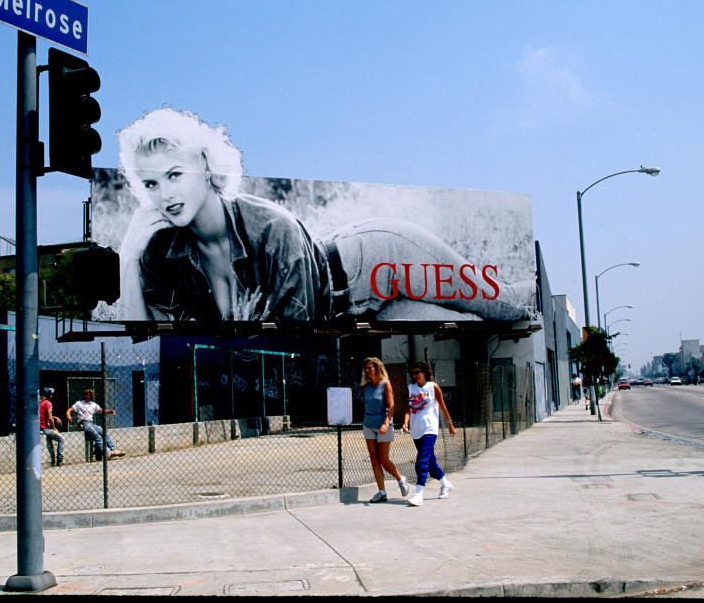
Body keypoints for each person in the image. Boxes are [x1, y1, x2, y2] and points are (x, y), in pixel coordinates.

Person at [114, 108, 536, 324]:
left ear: (206, 166)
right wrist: (128, 260)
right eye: (151, 184)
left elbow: (297, 336)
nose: (165, 194)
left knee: (498, 303)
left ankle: (537, 293)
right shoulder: (161, 251)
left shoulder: (270, 228)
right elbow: (143, 339)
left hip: (376, 259)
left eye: (174, 174)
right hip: (354, 311)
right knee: (461, 324)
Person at [402, 361, 456, 506]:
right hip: (416, 429)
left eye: (417, 372)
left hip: (430, 428)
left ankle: (419, 494)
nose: (414, 376)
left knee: (422, 461)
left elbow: (443, 407)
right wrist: (405, 422)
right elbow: (408, 409)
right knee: (430, 461)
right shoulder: (410, 388)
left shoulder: (433, 387)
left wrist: (450, 424)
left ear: (424, 372)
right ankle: (445, 483)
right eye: (412, 373)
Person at [361, 357, 410, 503]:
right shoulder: (366, 386)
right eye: (366, 368)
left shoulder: (386, 384)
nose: (368, 370)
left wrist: (386, 423)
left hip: (384, 426)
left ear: (377, 368)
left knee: (384, 459)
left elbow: (392, 406)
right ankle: (382, 492)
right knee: (374, 459)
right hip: (368, 425)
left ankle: (400, 479)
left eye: (370, 367)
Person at [66, 389, 125, 459]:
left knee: (105, 433)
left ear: (91, 396)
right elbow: (70, 409)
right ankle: (106, 454)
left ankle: (113, 450)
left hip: (91, 423)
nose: (86, 396)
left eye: (88, 395)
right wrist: (68, 415)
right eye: (85, 395)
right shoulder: (79, 403)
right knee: (98, 437)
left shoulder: (93, 405)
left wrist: (110, 411)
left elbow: (100, 411)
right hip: (84, 423)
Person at [39, 387, 64, 467]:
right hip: (46, 428)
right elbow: (49, 417)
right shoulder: (48, 403)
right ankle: (60, 460)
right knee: (61, 439)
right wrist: (54, 428)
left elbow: (44, 416)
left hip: (40, 427)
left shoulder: (40, 403)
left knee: (50, 443)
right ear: (50, 395)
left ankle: (53, 461)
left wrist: (55, 417)